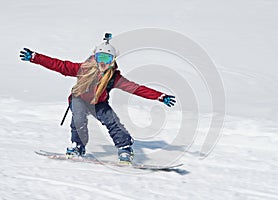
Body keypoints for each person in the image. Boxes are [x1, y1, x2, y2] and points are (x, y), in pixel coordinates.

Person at [19, 33, 176, 163]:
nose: (102, 62)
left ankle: (125, 148)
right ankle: (78, 146)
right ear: (94, 57)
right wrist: (35, 57)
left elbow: (136, 89)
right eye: (100, 57)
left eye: (107, 59)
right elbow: (58, 65)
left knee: (112, 121)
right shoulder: (82, 69)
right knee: (78, 119)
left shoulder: (113, 77)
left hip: (98, 103)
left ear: (112, 61)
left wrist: (160, 96)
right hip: (79, 99)